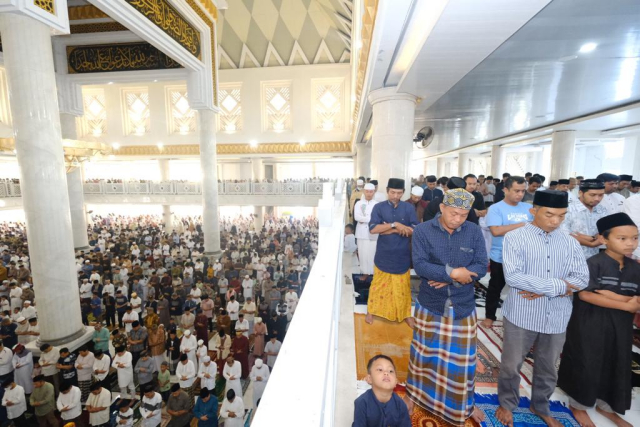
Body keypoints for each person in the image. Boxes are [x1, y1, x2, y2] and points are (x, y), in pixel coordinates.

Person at [495, 190, 589, 427]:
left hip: (557, 315)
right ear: (533, 211)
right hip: (522, 313)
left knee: (548, 367)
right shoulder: (516, 238)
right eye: (549, 214)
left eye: (561, 215)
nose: (556, 221)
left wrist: (543, 288)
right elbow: (514, 277)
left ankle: (541, 405)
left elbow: (582, 279)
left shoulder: (569, 242)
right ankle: (507, 403)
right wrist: (559, 286)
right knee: (511, 364)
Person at [407, 188, 487, 424]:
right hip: (431, 303)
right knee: (423, 355)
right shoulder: (422, 230)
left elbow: (481, 265)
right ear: (442, 208)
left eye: (463, 215)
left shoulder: (473, 231)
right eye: (453, 214)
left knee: (462, 363)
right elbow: (420, 266)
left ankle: (463, 406)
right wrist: (454, 273)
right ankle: (415, 396)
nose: (458, 219)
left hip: (462, 305)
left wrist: (448, 276)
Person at [557, 213, 640, 427]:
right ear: (604, 239)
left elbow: (636, 299)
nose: (630, 243)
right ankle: (579, 405)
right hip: (589, 324)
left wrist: (609, 294)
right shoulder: (593, 263)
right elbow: (585, 294)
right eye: (622, 238)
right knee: (587, 362)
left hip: (620, 327)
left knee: (617, 363)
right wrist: (624, 302)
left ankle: (607, 406)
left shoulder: (635, 268)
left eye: (635, 238)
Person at [482, 176, 533, 328]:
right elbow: (496, 231)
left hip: (524, 256)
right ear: (505, 190)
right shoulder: (496, 208)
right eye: (516, 191)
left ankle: (519, 317)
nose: (520, 194)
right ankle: (490, 316)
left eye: (523, 191)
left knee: (523, 288)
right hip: (501, 255)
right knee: (495, 287)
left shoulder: (528, 208)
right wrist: (522, 225)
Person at [366, 178, 418, 326]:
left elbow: (415, 230)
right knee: (378, 285)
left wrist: (387, 230)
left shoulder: (408, 208)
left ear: (403, 193)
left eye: (399, 193)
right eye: (393, 192)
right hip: (384, 254)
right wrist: (396, 226)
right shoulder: (379, 208)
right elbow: (373, 229)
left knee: (402, 288)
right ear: (387, 191)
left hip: (402, 255)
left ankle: (406, 314)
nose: (396, 196)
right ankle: (371, 311)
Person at [353, 355, 411, 427]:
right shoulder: (362, 402)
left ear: (396, 381)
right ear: (369, 378)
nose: (386, 373)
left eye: (391, 371)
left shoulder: (400, 405)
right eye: (380, 369)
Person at [560, 178, 608, 259]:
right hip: (570, 257)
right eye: (592, 195)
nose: (597, 198)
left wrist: (592, 238)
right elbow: (564, 235)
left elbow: (606, 231)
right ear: (580, 193)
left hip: (594, 258)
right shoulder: (568, 209)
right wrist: (591, 243)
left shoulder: (602, 210)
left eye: (601, 195)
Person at [354, 183, 379, 279]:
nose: (369, 194)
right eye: (367, 191)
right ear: (364, 191)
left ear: (374, 192)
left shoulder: (377, 204)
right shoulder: (358, 203)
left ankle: (373, 274)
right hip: (361, 233)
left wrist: (364, 219)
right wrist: (370, 219)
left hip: (373, 233)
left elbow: (377, 219)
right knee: (363, 254)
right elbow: (357, 217)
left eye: (371, 192)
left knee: (373, 253)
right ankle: (364, 273)